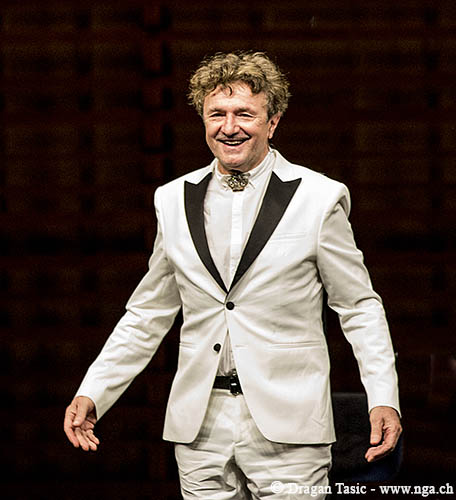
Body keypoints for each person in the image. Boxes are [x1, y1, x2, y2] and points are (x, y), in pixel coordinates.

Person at [64, 51, 402, 499]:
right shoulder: (172, 199)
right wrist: (94, 391)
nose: (229, 127)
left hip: (290, 426)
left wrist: (383, 396)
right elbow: (147, 314)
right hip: (199, 428)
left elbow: (358, 306)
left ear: (273, 121)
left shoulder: (319, 198)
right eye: (216, 114)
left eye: (244, 113)